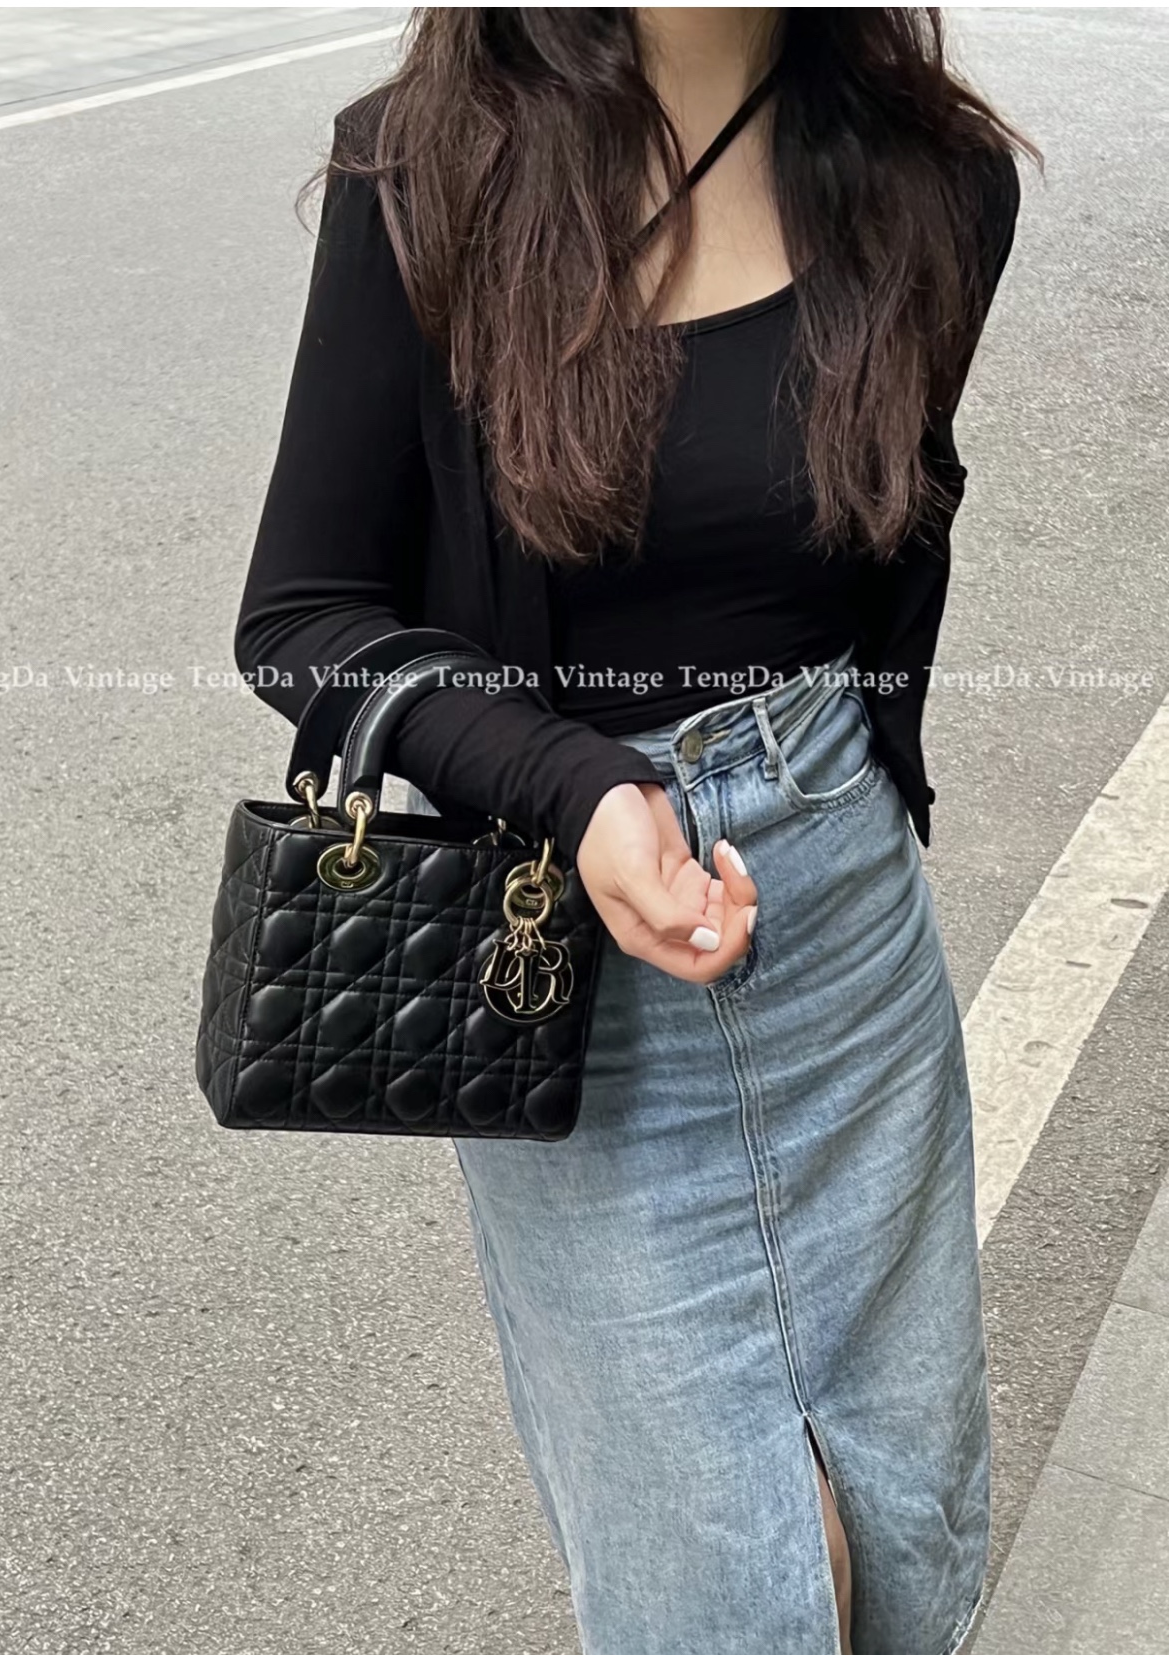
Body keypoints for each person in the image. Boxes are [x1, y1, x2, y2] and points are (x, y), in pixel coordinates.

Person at [234, 9, 1034, 1651]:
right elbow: (302, 618)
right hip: (567, 952)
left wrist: (847, 781)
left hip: (845, 938)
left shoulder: (935, 179)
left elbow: (896, 535)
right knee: (711, 1577)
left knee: (893, 1513)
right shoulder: (427, 168)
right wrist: (573, 783)